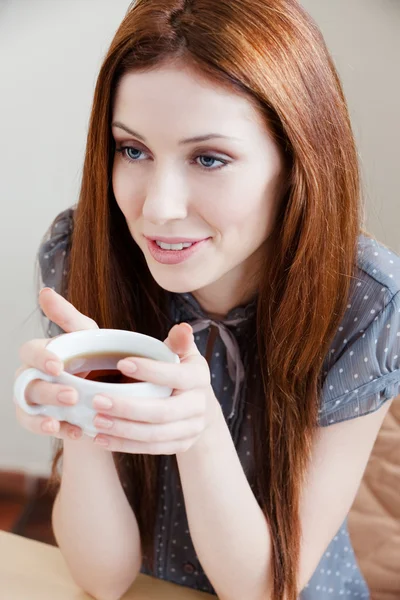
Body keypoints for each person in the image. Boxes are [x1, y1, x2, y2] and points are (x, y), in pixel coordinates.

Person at [14, 1, 400, 599]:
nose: (158, 208)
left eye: (209, 158)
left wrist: (198, 428)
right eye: (133, 150)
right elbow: (103, 580)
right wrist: (77, 410)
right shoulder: (83, 251)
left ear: (297, 161)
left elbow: (265, 589)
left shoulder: (366, 301)